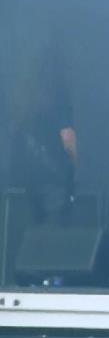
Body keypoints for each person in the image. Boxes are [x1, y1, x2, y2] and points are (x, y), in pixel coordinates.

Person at [6, 32, 77, 225]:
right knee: (52, 235)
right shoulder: (58, 94)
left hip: (21, 181)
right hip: (51, 182)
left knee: (21, 232)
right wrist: (73, 171)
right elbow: (68, 139)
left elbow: (13, 133)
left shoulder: (22, 95)